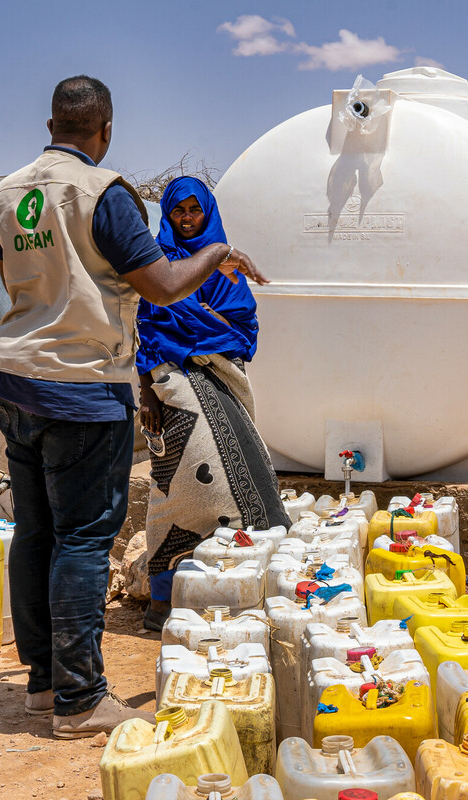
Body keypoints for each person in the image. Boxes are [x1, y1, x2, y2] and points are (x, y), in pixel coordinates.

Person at [0, 75, 265, 739]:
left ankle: (45, 682)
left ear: (52, 123)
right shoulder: (101, 194)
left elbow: (20, 280)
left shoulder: (3, 195)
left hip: (14, 378)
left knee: (36, 530)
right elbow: (165, 288)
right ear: (104, 129)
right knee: (83, 537)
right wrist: (217, 252)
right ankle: (80, 701)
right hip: (79, 386)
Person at [136, 177, 290, 630]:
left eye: (194, 210)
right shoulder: (156, 264)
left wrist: (203, 327)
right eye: (178, 210)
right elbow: (143, 329)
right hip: (170, 386)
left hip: (222, 379)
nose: (186, 218)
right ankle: (163, 599)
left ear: (208, 212)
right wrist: (146, 391)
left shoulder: (225, 269)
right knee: (173, 488)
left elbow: (242, 329)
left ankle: (233, 593)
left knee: (240, 479)